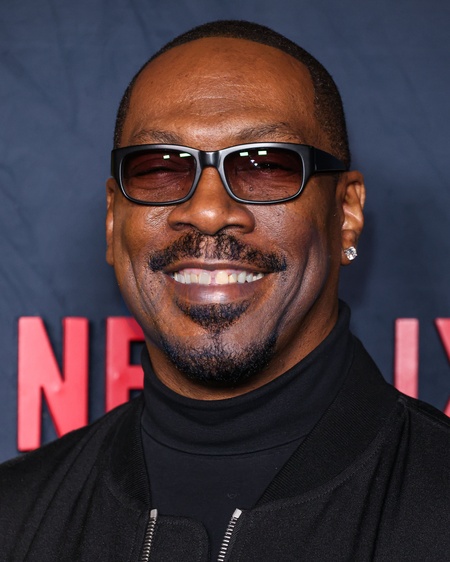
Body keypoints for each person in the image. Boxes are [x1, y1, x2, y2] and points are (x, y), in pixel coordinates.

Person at [1, 19, 449, 562]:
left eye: (266, 166)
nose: (209, 212)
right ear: (114, 222)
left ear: (346, 213)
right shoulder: (14, 515)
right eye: (160, 169)